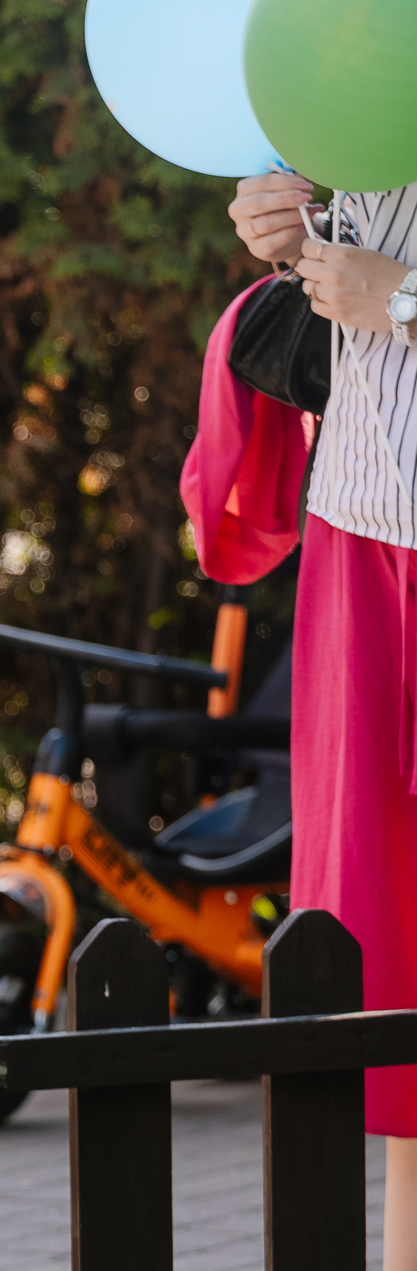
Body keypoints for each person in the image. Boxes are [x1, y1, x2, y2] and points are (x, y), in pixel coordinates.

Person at [229, 171, 417, 1267]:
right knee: (380, 947)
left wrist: (401, 298)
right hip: (361, 525)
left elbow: (390, 287)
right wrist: (287, 226)